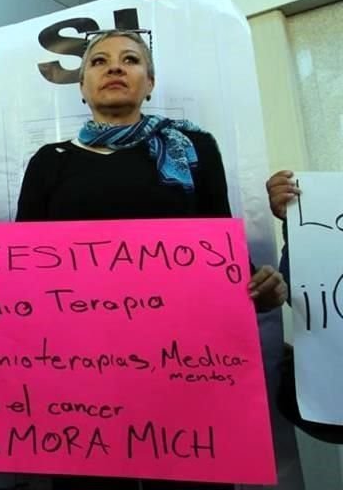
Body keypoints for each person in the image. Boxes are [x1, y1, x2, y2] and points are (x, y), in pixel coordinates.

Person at [16, 28, 286, 490]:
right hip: (82, 367)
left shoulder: (193, 149)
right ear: (82, 87)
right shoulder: (50, 161)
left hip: (185, 361)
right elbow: (22, 265)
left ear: (151, 81)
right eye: (99, 62)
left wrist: (257, 288)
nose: (115, 68)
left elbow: (218, 244)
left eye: (130, 60)